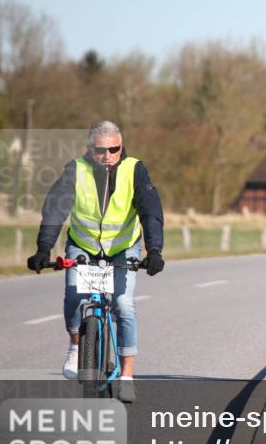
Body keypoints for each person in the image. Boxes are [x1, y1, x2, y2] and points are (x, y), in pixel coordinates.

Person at [27, 120, 164, 403]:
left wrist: (154, 250)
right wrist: (43, 248)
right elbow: (56, 209)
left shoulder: (134, 169)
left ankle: (127, 376)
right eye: (101, 151)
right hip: (84, 245)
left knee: (124, 305)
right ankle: (77, 347)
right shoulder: (75, 169)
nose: (108, 156)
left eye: (114, 149)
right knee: (74, 298)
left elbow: (150, 211)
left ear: (121, 146)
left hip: (123, 248)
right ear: (90, 149)